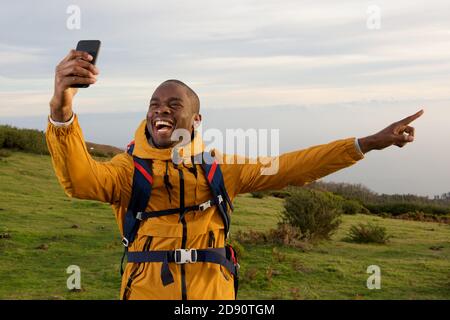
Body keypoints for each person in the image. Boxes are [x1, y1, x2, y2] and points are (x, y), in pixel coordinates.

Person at [46, 49, 424, 300]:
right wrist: (61, 105)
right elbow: (79, 182)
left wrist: (367, 143)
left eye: (173, 105)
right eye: (155, 105)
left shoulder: (221, 169)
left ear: (196, 120)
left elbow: (294, 167)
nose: (161, 111)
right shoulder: (127, 171)